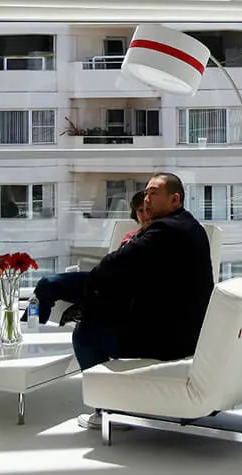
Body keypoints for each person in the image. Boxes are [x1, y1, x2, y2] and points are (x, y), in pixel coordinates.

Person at [72, 172, 214, 429]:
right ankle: (122, 398)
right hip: (191, 332)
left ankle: (110, 411)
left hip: (167, 340)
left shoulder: (164, 230)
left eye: (153, 193)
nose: (146, 199)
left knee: (85, 334)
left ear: (175, 199)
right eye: (146, 193)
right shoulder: (190, 226)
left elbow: (113, 265)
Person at [28, 190, 149, 325]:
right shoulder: (130, 235)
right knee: (47, 283)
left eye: (148, 210)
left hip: (121, 291)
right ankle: (29, 329)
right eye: (140, 210)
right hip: (101, 281)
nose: (145, 215)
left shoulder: (156, 237)